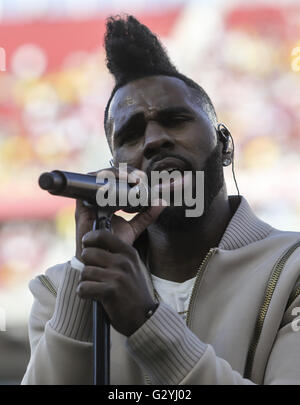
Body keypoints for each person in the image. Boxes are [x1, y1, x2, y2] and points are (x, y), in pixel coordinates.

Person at [22, 16, 300, 385]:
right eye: (132, 133)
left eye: (175, 119)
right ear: (116, 168)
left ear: (225, 146)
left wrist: (147, 321)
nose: (153, 140)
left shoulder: (292, 270)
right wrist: (81, 279)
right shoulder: (57, 290)